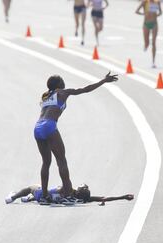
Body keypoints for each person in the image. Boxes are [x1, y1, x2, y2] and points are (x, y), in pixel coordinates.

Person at [34, 72, 118, 203]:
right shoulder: (63, 92)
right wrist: (103, 81)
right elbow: (85, 89)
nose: (64, 83)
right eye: (62, 81)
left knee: (46, 162)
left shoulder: (45, 96)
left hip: (37, 127)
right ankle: (68, 194)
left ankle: (44, 195)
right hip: (49, 125)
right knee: (61, 161)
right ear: (59, 85)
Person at [5, 183, 134, 205]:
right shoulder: (84, 200)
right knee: (34, 194)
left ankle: (12, 197)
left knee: (30, 187)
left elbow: (55, 189)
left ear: (79, 191)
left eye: (82, 187)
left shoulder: (68, 189)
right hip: (48, 200)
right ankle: (29, 199)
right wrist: (123, 197)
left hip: (44, 196)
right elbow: (104, 198)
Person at [135, 0, 162, 68]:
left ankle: (153, 62)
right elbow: (137, 11)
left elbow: (160, 12)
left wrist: (156, 15)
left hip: (154, 24)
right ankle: (146, 45)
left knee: (153, 43)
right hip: (146, 24)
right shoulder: (145, 2)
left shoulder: (157, 2)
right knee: (147, 43)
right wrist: (144, 14)